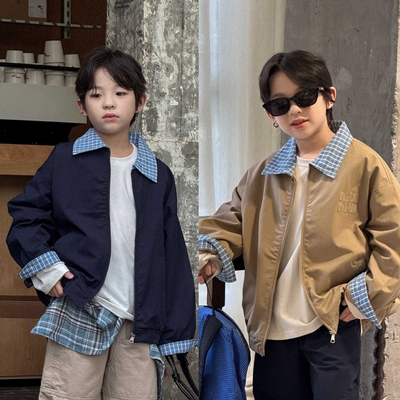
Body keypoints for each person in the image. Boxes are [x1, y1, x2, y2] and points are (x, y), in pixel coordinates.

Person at [198, 49, 400, 399]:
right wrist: (209, 255)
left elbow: (392, 240)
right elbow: (229, 224)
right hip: (273, 329)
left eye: (304, 97)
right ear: (270, 114)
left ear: (329, 96)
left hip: (331, 326)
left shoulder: (365, 166)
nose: (294, 110)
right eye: (281, 104)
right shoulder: (262, 174)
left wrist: (362, 298)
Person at [7, 46, 196, 400]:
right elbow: (26, 216)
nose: (109, 103)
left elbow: (171, 255)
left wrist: (173, 333)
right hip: (82, 307)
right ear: (82, 105)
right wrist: (49, 271)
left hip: (140, 322)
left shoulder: (158, 175)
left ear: (141, 101)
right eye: (96, 95)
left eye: (120, 93)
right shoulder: (65, 160)